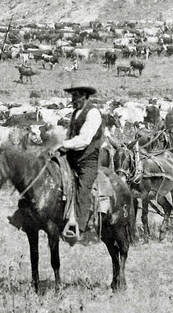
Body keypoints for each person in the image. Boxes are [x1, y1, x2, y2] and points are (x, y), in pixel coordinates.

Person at [50, 84, 103, 244]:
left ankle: (80, 229)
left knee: (82, 189)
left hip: (88, 159)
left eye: (76, 96)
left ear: (85, 97)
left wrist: (63, 145)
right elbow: (70, 135)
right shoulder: (75, 113)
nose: (73, 99)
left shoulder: (93, 113)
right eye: (72, 96)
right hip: (72, 156)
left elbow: (85, 140)